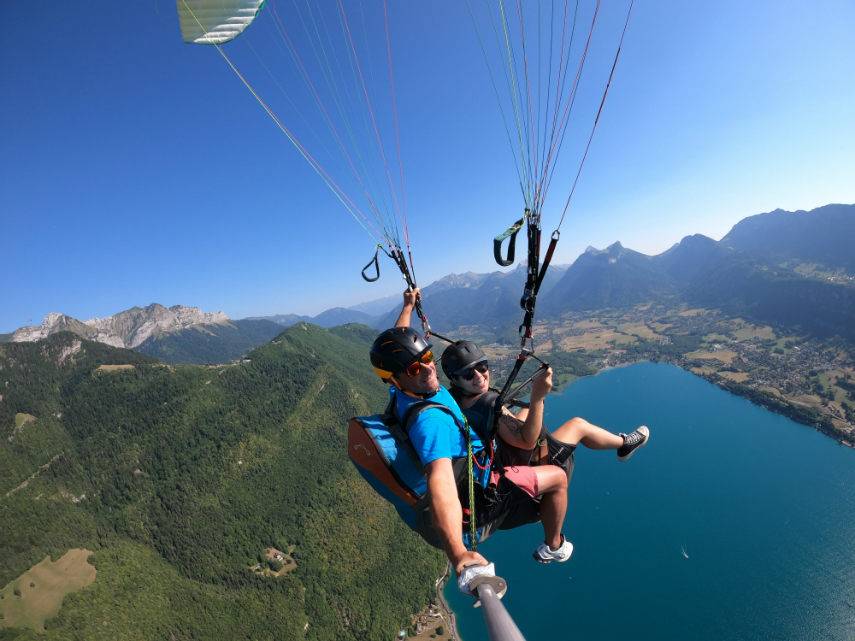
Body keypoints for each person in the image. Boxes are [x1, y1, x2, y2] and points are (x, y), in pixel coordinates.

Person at [369, 290, 574, 581]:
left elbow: (399, 342)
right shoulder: (431, 421)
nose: (428, 368)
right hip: (477, 507)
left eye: (427, 357)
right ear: (394, 378)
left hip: (467, 481)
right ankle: (554, 546)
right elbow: (440, 482)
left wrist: (407, 307)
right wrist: (459, 554)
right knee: (558, 478)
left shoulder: (406, 392)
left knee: (523, 417)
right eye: (415, 367)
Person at [440, 339, 650, 560]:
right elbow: (526, 441)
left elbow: (504, 425)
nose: (480, 376)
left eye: (482, 367)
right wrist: (538, 396)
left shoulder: (456, 398)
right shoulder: (487, 403)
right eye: (469, 374)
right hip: (512, 481)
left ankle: (624, 444)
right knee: (577, 427)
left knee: (531, 412)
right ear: (455, 378)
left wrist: (408, 308)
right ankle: (554, 546)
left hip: (493, 467)